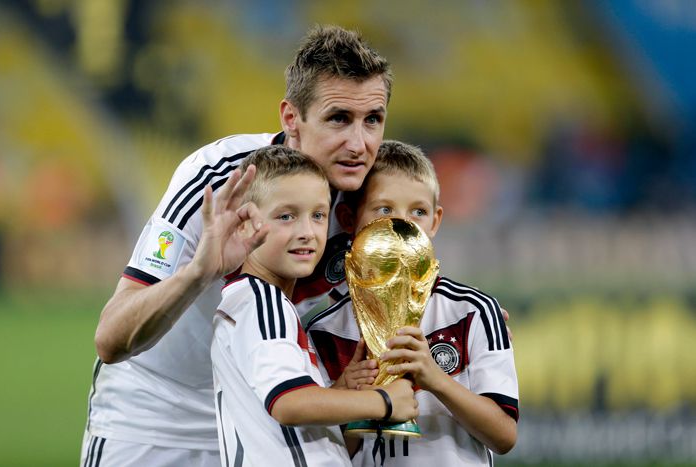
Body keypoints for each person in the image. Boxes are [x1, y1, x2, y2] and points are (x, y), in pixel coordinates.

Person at [81, 25, 392, 467]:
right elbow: (111, 338)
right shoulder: (220, 177)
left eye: (373, 120)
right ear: (291, 119)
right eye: (338, 118)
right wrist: (199, 273)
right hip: (156, 417)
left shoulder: (379, 196)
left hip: (276, 412)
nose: (359, 144)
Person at [306, 140, 519, 466]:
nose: (402, 224)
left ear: (435, 221)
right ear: (349, 219)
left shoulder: (474, 311)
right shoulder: (323, 330)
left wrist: (434, 378)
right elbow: (323, 454)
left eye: (417, 212)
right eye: (384, 210)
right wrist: (352, 398)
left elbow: (504, 436)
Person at [211, 145, 418, 466]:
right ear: (245, 223)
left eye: (318, 215)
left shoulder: (262, 301)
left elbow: (286, 415)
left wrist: (340, 390)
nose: (307, 232)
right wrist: (383, 401)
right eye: (286, 216)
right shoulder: (262, 302)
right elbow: (288, 404)